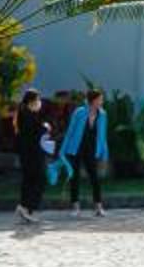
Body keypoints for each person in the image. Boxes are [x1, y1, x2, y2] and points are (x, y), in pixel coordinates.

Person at [60, 89, 109, 216]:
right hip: (76, 149)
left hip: (91, 150)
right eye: (100, 99)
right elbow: (70, 131)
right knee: (74, 178)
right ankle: (75, 208)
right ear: (93, 101)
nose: (101, 101)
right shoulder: (79, 112)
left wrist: (104, 153)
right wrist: (63, 149)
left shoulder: (102, 114)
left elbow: (103, 135)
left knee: (94, 177)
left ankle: (98, 207)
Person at [12, 89, 52, 225]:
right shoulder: (26, 114)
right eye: (37, 100)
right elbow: (34, 131)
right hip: (31, 154)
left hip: (28, 153)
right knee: (40, 179)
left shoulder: (26, 113)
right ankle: (27, 206)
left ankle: (26, 208)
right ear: (32, 101)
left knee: (29, 180)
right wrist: (45, 127)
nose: (39, 103)